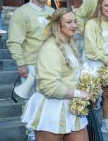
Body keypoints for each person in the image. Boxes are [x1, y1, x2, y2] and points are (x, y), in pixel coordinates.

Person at [21, 8, 89, 141]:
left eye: (75, 21)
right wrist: (79, 93)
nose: (74, 25)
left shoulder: (69, 44)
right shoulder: (49, 48)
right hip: (52, 109)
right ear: (58, 25)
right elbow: (49, 87)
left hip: (72, 108)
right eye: (69, 22)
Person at [6, 0, 55, 141]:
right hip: (31, 65)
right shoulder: (22, 12)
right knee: (31, 101)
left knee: (49, 99)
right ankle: (31, 132)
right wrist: (21, 63)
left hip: (51, 65)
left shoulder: (51, 12)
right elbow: (14, 41)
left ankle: (46, 128)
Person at [82, 0, 108, 136]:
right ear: (100, 7)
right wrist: (105, 59)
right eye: (106, 5)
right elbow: (91, 48)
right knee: (92, 97)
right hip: (94, 63)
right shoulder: (91, 24)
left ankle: (106, 123)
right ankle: (90, 125)